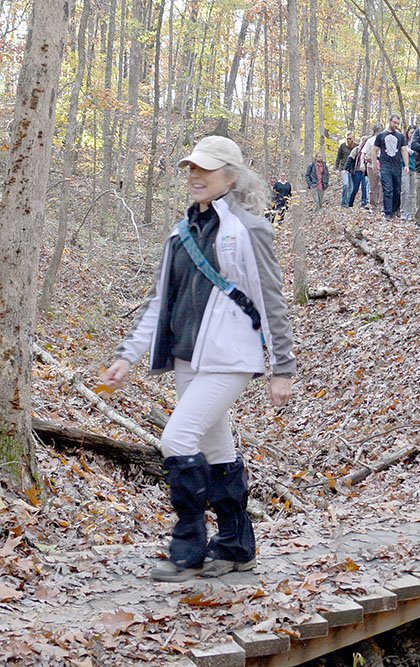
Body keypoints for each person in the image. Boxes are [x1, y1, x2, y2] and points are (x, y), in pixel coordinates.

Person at [100, 135, 296, 581]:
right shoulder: (180, 232)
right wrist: (127, 356)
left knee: (177, 440)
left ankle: (187, 548)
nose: (195, 175)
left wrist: (281, 367)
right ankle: (236, 545)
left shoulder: (249, 229)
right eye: (191, 167)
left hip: (229, 357)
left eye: (204, 168)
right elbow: (158, 303)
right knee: (216, 447)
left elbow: (272, 300)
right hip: (187, 358)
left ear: (230, 175)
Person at [372, 113, 410, 219]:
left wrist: (406, 165)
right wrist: (375, 164)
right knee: (387, 189)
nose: (396, 125)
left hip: (397, 166)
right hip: (385, 166)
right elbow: (374, 150)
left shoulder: (400, 136)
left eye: (398, 123)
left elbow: (404, 150)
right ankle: (388, 212)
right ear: (390, 121)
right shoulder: (381, 135)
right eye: (394, 122)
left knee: (397, 190)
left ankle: (395, 209)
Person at [362, 124, 383, 210]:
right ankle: (372, 205)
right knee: (373, 187)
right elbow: (363, 153)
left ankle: (382, 206)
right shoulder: (370, 141)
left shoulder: (384, 140)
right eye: (378, 130)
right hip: (371, 165)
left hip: (383, 165)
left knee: (383, 186)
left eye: (381, 130)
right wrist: (362, 164)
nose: (379, 132)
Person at [346, 136, 369, 208]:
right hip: (356, 171)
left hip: (366, 172)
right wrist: (346, 169)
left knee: (365, 188)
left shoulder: (369, 150)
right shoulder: (356, 150)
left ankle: (364, 202)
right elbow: (350, 159)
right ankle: (350, 203)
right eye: (363, 141)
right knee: (355, 188)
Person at [400, 125, 417, 220]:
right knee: (405, 190)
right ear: (407, 133)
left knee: (412, 192)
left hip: (415, 169)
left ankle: (410, 213)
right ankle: (403, 211)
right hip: (404, 168)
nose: (412, 135)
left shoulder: (417, 144)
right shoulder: (403, 143)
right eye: (411, 132)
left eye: (414, 133)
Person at [335, 131, 356, 207]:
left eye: (350, 138)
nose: (348, 140)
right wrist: (337, 168)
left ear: (353, 138)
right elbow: (338, 158)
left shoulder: (356, 146)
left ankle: (348, 203)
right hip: (344, 169)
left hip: (353, 169)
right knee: (346, 184)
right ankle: (344, 203)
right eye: (347, 139)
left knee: (352, 187)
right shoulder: (342, 146)